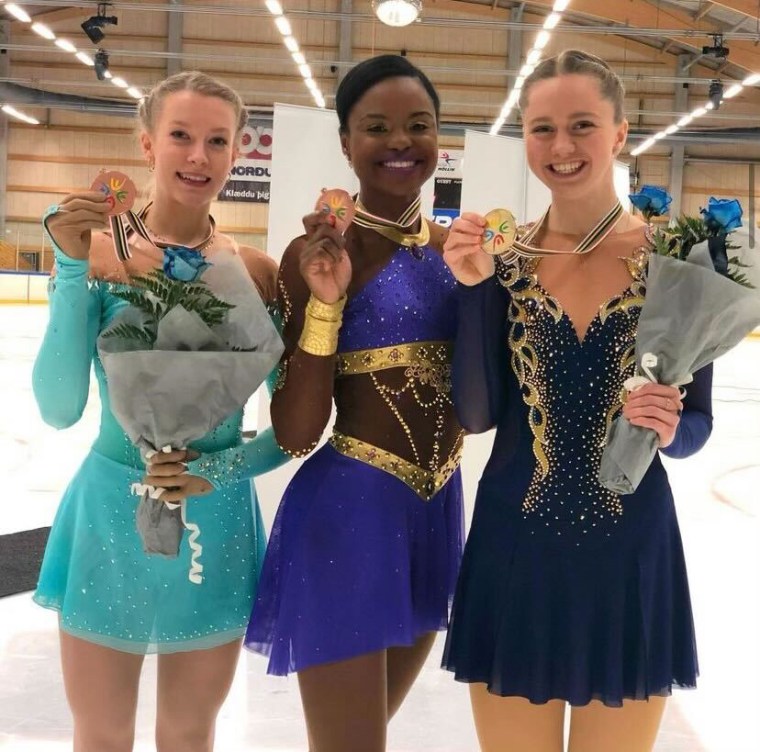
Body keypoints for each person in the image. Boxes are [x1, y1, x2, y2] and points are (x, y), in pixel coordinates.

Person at [441, 50, 713, 752]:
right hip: (514, 548)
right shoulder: (504, 261)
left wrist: (671, 426)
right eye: (542, 129)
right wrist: (472, 289)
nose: (561, 147)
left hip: (629, 555)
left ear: (620, 132)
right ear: (525, 137)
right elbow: (476, 413)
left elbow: (696, 429)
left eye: (582, 125)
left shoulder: (678, 263)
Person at [32, 71, 288, 752]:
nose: (198, 156)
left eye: (216, 141)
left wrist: (225, 465)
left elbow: (295, 427)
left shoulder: (259, 272)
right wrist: (67, 268)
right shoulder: (100, 256)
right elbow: (58, 408)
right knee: (103, 733)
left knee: (188, 732)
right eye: (181, 136)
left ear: (238, 152)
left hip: (218, 522)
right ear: (148, 144)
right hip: (108, 520)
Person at [244, 55, 465, 752]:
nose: (400, 141)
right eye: (377, 127)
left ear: (440, 138)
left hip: (438, 516)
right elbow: (296, 429)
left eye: (418, 125)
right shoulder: (315, 255)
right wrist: (327, 300)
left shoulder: (460, 254)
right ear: (346, 143)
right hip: (351, 521)